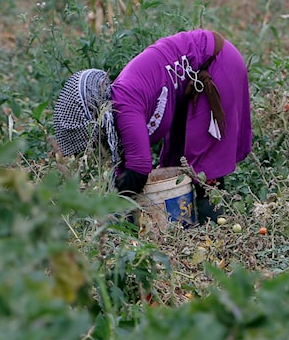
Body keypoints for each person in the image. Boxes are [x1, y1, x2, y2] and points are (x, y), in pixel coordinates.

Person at [52, 28, 252, 223]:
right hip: (195, 73)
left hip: (217, 62)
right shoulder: (119, 102)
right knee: (176, 161)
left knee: (204, 164)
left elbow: (139, 168)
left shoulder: (125, 105)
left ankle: (214, 229)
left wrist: (112, 208)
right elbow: (125, 162)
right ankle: (185, 228)